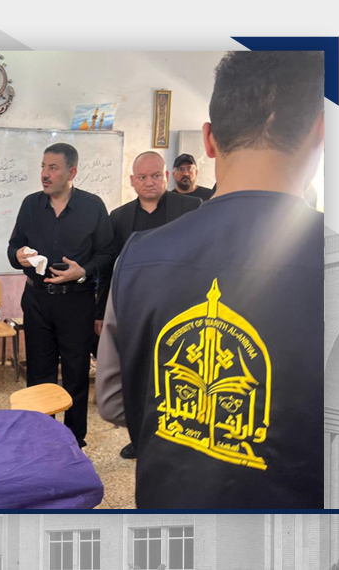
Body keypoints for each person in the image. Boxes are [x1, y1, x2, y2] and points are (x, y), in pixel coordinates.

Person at [97, 50, 325, 508]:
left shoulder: (138, 256)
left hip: (169, 512)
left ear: (209, 139)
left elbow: (114, 401)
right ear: (321, 131)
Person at [95, 151, 201, 459]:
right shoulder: (119, 217)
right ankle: (138, 437)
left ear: (166, 177)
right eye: (142, 177)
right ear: (132, 181)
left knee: (177, 375)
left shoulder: (191, 208)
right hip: (135, 312)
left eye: (155, 175)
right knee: (136, 374)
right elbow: (109, 270)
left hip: (180, 310)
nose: (149, 182)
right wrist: (101, 313)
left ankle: (179, 436)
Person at [8, 143, 113, 447]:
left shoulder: (93, 206)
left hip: (76, 301)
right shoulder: (30, 205)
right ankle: (41, 437)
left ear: (72, 172)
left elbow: (107, 253)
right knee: (38, 372)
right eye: (43, 167)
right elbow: (13, 247)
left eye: (52, 168)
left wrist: (83, 271)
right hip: (37, 300)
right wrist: (18, 256)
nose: (45, 174)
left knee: (75, 372)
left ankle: (74, 439)